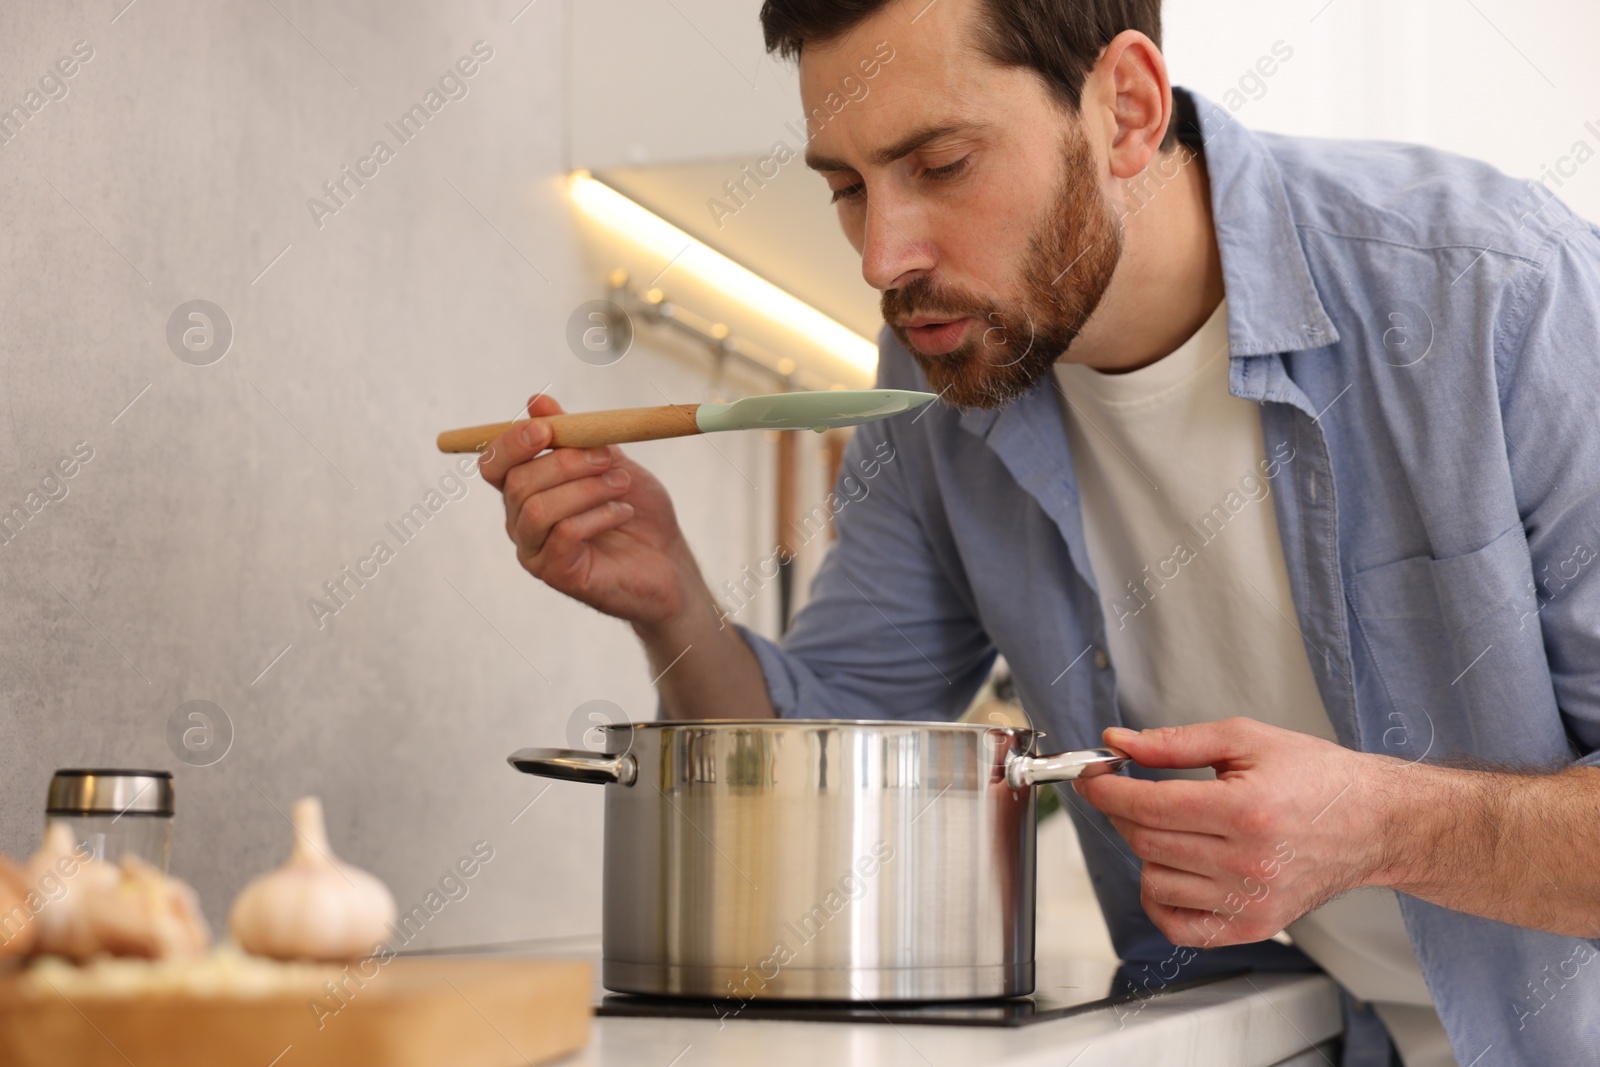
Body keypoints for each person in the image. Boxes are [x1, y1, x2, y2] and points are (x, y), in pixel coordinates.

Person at [479, 0, 1600, 1063]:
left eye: (940, 165)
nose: (881, 258)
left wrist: (1377, 823)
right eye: (845, 186)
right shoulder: (935, 391)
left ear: (1125, 108)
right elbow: (819, 755)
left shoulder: (1495, 294)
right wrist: (669, 596)